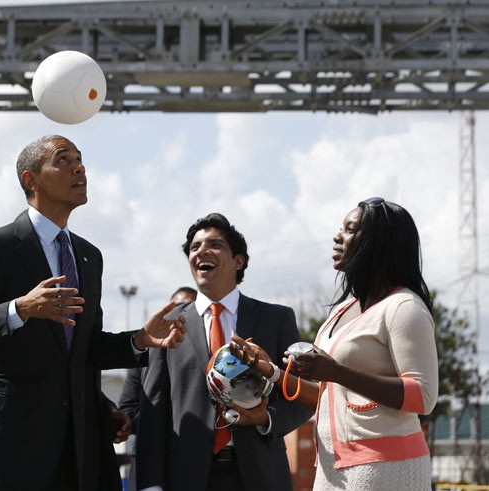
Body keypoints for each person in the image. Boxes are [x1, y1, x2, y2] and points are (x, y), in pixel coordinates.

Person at [0, 135, 185, 491]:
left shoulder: (89, 256)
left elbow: (84, 349)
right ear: (30, 179)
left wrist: (138, 339)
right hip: (9, 454)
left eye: (81, 160)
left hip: (77, 453)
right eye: (64, 159)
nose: (79, 167)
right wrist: (20, 309)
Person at [233, 198, 439, 491]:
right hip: (332, 467)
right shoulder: (342, 310)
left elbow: (424, 396)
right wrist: (270, 372)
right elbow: (329, 396)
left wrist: (336, 372)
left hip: (385, 467)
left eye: (350, 229)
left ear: (379, 243)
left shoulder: (404, 307)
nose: (337, 236)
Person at [136, 213, 312, 491]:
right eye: (195, 248)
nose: (202, 251)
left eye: (215, 244)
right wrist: (150, 484)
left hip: (261, 475)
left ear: (238, 260)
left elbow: (301, 396)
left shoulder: (275, 319)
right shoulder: (168, 326)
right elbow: (153, 411)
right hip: (185, 478)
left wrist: (265, 419)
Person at [118, 286, 197, 491]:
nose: (182, 314)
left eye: (189, 308)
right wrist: (157, 416)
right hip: (150, 466)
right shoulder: (147, 354)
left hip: (193, 464)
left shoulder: (205, 359)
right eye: (178, 308)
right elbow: (127, 408)